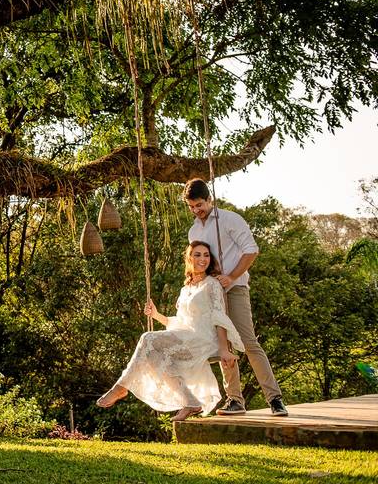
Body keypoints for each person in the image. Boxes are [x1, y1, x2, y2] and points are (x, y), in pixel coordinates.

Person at [96, 241, 244, 421]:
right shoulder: (186, 289)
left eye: (206, 255)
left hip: (204, 338)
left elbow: (219, 317)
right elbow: (181, 322)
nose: (203, 259)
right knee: (153, 355)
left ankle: (121, 386)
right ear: (189, 258)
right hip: (188, 335)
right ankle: (190, 402)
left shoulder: (212, 284)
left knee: (148, 338)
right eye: (197, 255)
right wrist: (157, 315)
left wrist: (223, 349)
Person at [183, 178, 288, 417]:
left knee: (249, 342)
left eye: (199, 205)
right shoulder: (194, 231)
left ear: (209, 200)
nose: (196, 210)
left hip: (235, 288)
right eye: (191, 207)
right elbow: (199, 261)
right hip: (211, 292)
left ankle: (275, 399)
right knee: (224, 346)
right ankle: (235, 400)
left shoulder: (230, 219)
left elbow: (252, 250)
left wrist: (231, 277)